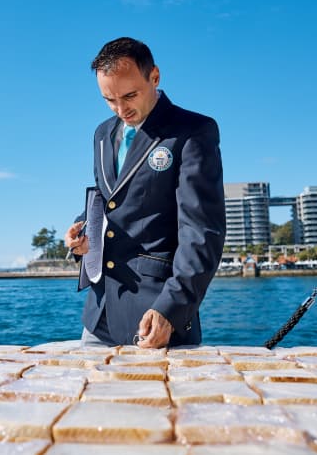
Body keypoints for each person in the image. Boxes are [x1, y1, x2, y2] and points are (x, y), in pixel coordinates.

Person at [65, 37, 225, 349]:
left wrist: (171, 309)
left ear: (155, 76)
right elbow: (110, 199)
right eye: (109, 100)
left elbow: (202, 232)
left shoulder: (193, 131)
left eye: (129, 96)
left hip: (157, 318)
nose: (120, 109)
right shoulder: (102, 133)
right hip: (98, 315)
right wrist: (80, 232)